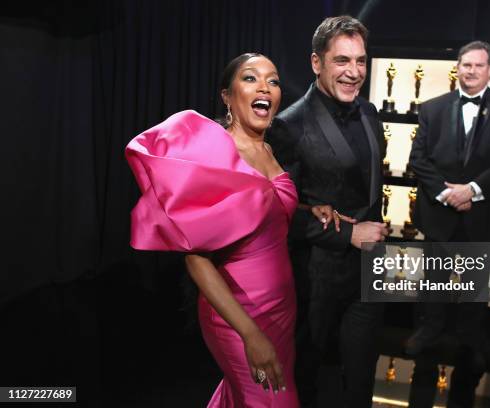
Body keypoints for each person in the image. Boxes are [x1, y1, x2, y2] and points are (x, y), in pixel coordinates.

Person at [125, 53, 352, 407]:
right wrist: (250, 334)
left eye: (273, 80)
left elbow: (257, 209)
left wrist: (307, 207)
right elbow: (196, 258)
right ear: (227, 97)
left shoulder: (268, 148)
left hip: (281, 307)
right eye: (250, 78)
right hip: (238, 314)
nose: (265, 86)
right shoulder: (214, 152)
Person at [266, 16, 388, 408]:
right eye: (342, 61)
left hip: (368, 273)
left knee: (361, 379)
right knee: (308, 378)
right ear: (317, 63)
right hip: (314, 279)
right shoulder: (289, 125)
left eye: (361, 61)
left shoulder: (370, 112)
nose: (354, 73)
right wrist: (347, 234)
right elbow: (275, 214)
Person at [406, 41, 490, 407]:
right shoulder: (432, 108)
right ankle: (429, 331)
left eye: (479, 65)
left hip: (484, 215)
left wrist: (472, 191)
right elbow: (418, 158)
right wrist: (447, 194)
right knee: (435, 281)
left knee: (475, 284)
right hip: (440, 212)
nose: (471, 71)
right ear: (457, 68)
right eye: (465, 65)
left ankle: (469, 342)